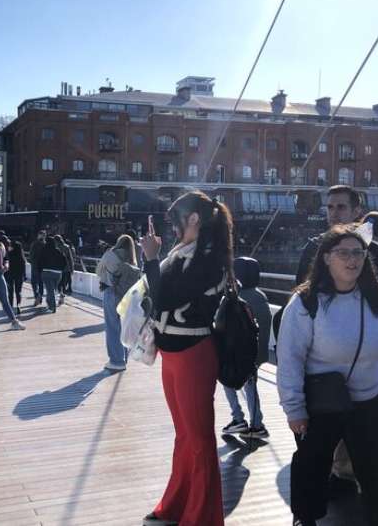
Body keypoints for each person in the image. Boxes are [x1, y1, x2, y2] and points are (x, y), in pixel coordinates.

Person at [277, 224, 378, 526]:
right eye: (343, 253)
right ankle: (305, 518)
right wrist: (294, 408)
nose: (353, 260)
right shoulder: (306, 302)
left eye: (358, 253)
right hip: (323, 402)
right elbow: (290, 358)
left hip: (371, 401)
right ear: (326, 258)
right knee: (312, 466)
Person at [295, 185, 378, 490]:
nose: (333, 213)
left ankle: (348, 479)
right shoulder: (312, 250)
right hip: (321, 379)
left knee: (363, 459)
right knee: (318, 449)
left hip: (366, 383)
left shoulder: (374, 253)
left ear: (357, 211)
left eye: (340, 207)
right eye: (329, 207)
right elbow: (299, 302)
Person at [140, 191, 230, 526]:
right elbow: (158, 292)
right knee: (184, 435)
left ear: (193, 219)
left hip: (193, 356)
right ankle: (176, 505)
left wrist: (151, 259)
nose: (173, 228)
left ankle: (202, 517)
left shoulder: (208, 259)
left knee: (200, 439)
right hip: (174, 355)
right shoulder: (184, 254)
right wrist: (153, 260)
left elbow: (165, 298)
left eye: (177, 220)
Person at [221, 256, 271, 440]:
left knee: (226, 379)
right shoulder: (261, 296)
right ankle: (254, 423)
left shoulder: (236, 299)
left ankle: (242, 419)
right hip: (258, 353)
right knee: (251, 386)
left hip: (242, 354)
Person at [95, 234, 140, 372]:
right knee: (124, 327)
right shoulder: (132, 258)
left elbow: (98, 272)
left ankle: (116, 361)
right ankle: (123, 358)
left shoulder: (110, 254)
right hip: (128, 296)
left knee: (112, 327)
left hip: (112, 293)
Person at [37, 235, 66, 313]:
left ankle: (52, 308)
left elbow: (39, 262)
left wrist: (40, 271)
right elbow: (64, 262)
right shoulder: (58, 251)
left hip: (46, 272)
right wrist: (60, 270)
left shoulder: (43, 250)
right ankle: (49, 304)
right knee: (52, 290)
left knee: (50, 291)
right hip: (58, 274)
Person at [5, 240, 27, 315]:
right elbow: (24, 267)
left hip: (10, 275)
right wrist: (24, 275)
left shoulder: (9, 254)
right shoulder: (22, 257)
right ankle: (18, 306)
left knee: (10, 292)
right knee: (18, 291)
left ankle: (10, 306)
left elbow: (6, 264)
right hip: (19, 275)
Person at [30, 230, 47, 306]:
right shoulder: (46, 244)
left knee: (34, 282)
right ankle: (40, 296)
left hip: (35, 266)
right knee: (41, 283)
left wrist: (32, 262)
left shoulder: (34, 244)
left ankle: (37, 295)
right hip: (43, 267)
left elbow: (31, 255)